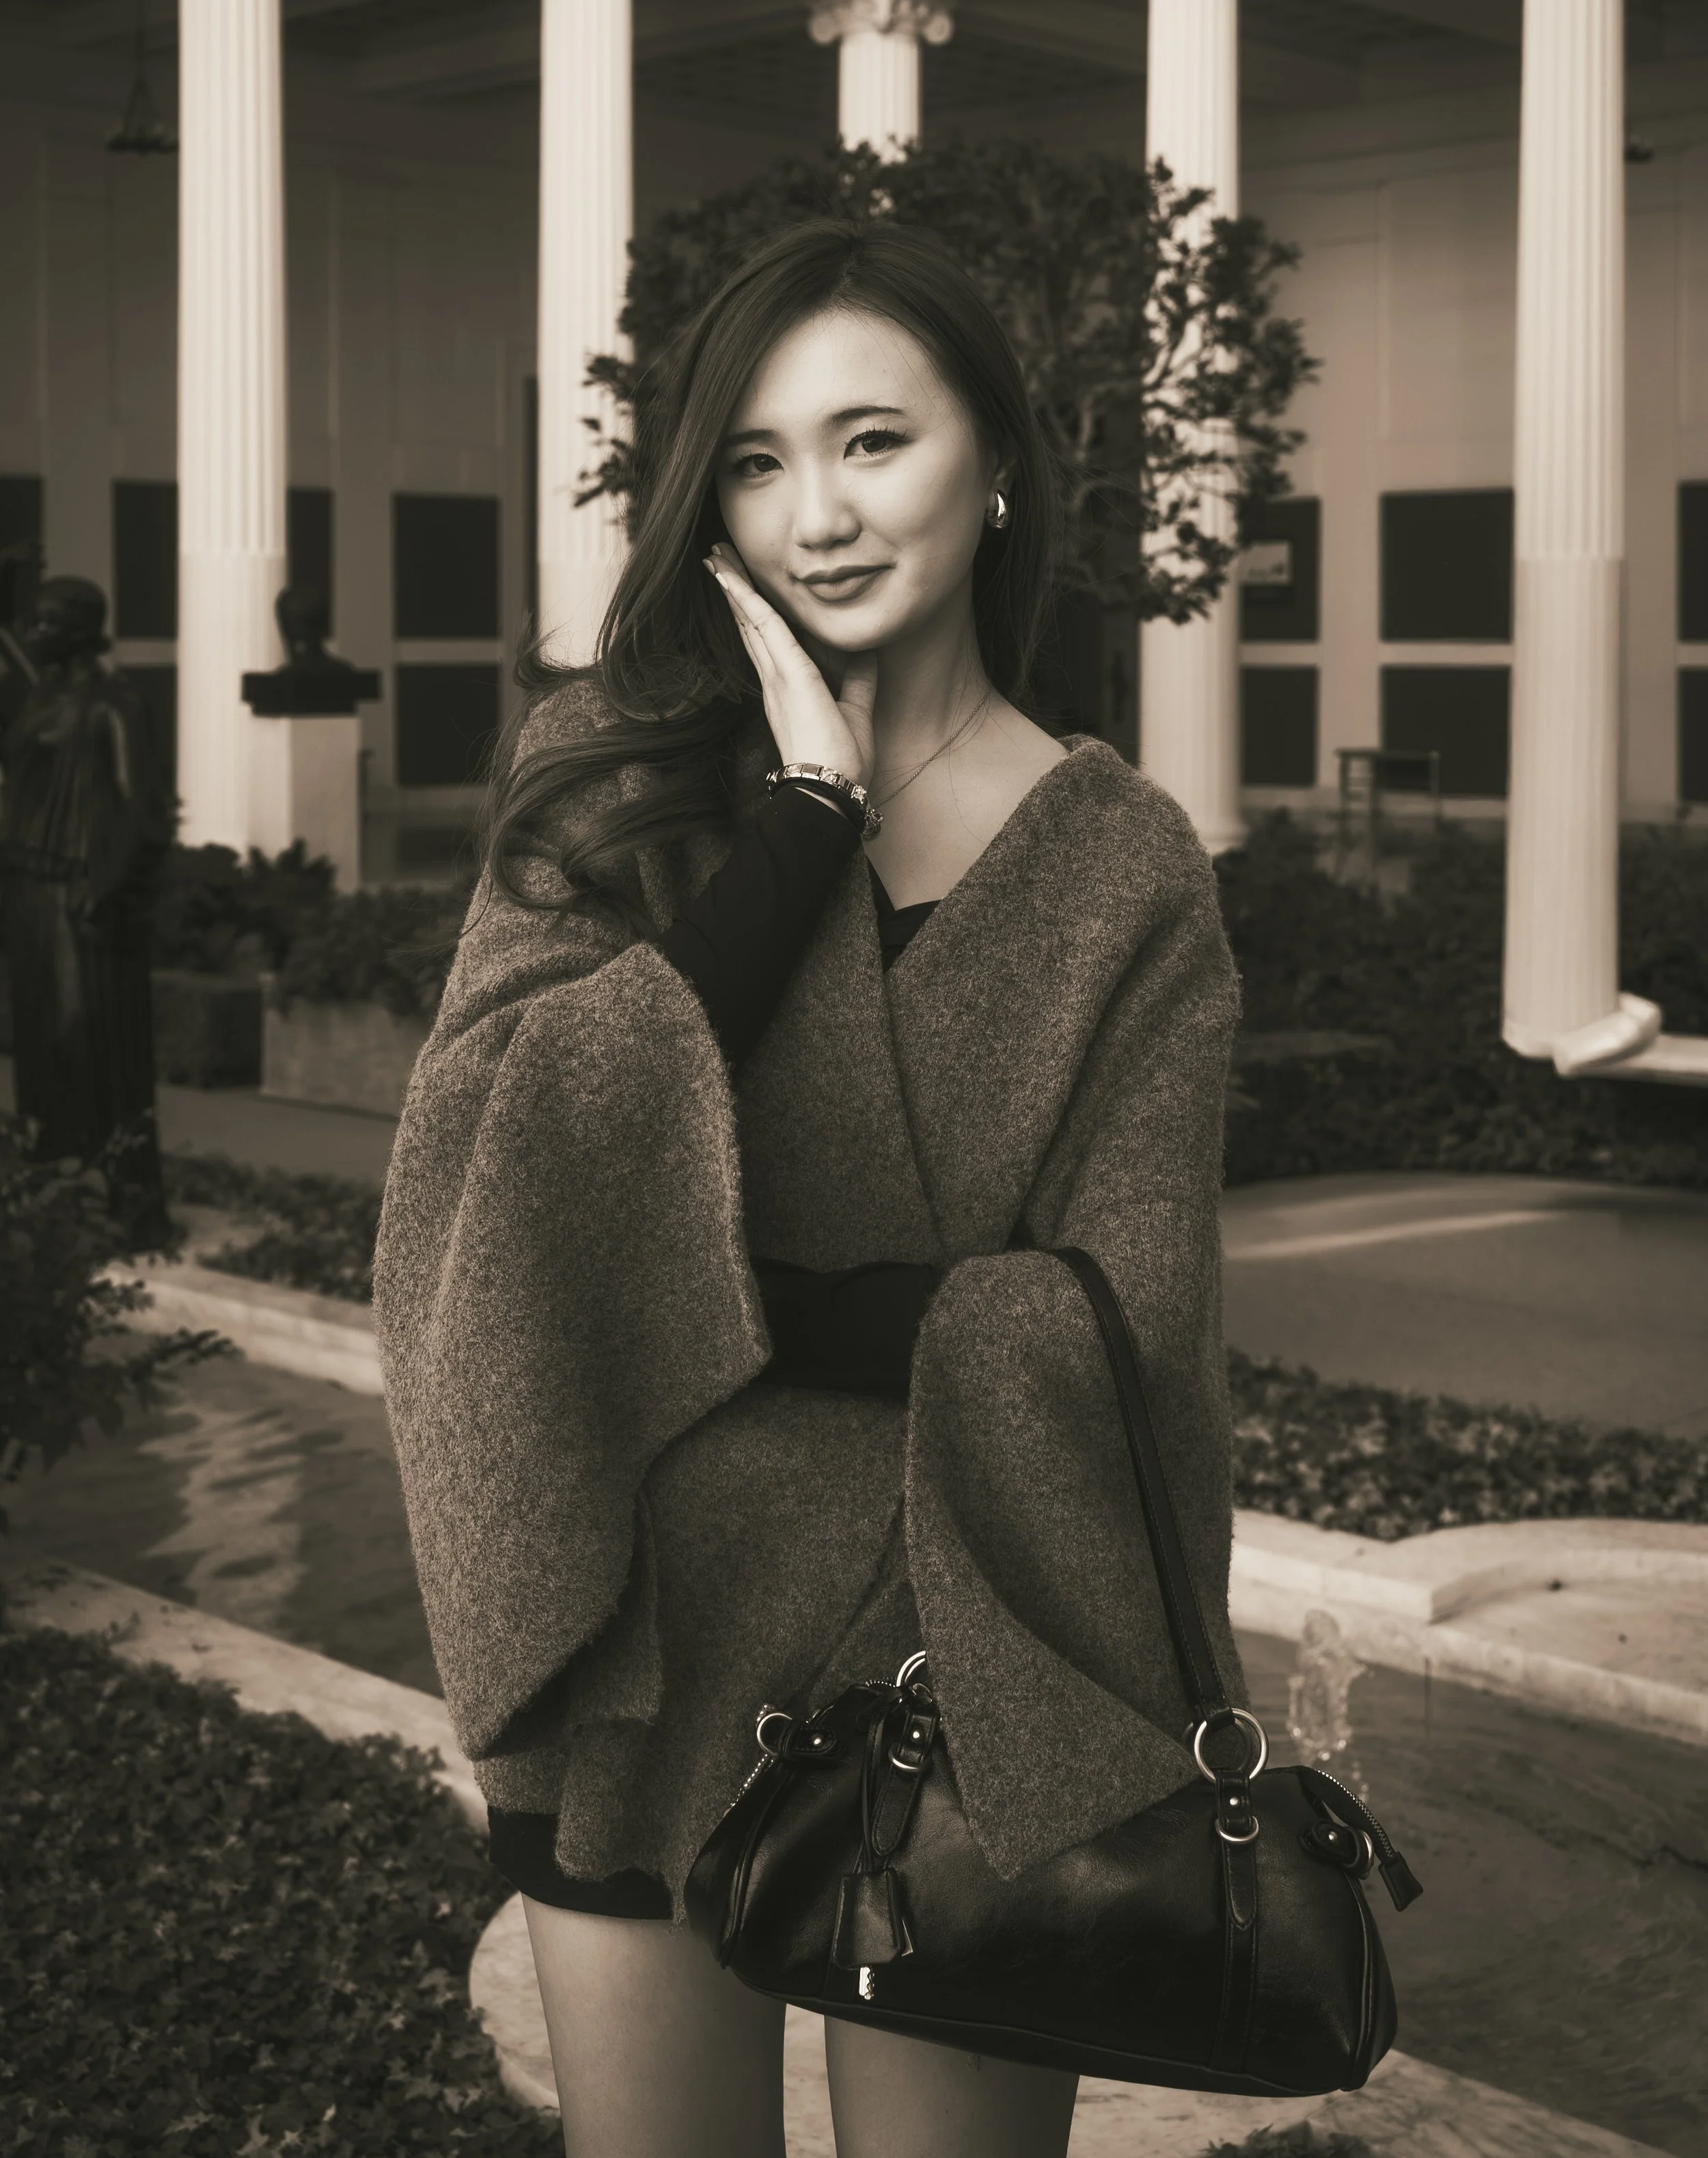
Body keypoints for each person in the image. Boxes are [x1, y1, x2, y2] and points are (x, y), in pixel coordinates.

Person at [372, 221, 1244, 2158]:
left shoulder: (1120, 863)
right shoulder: (602, 778)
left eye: (873, 440)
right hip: (639, 1638)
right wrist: (801, 825)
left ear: (996, 461)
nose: (815, 514)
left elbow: (1125, 1317)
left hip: (972, 1670)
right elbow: (481, 1202)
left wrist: (695, 1291)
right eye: (758, 460)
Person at [0, 575, 173, 1248]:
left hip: (79, 892)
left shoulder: (115, 704)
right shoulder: (42, 698)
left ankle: (130, 1197)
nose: (33, 633)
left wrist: (104, 891)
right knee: (42, 1046)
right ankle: (56, 1184)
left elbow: (142, 807)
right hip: (29, 889)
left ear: (78, 629)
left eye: (45, 624)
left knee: (89, 1043)